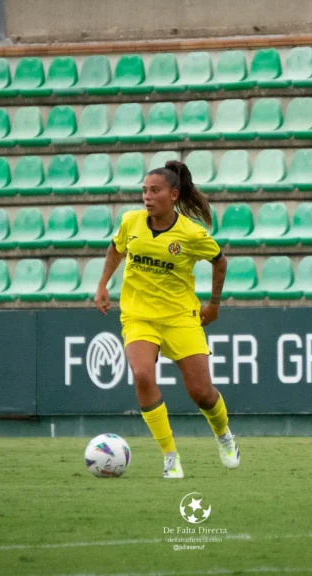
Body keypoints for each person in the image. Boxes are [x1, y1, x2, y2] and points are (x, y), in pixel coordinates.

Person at [95, 161, 239, 479]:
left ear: (173, 195)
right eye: (144, 191)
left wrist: (214, 305)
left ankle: (224, 436)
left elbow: (220, 262)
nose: (147, 197)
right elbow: (116, 248)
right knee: (143, 375)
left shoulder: (190, 233)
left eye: (155, 190)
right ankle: (170, 456)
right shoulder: (131, 222)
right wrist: (103, 283)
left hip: (180, 317)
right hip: (138, 316)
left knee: (201, 393)